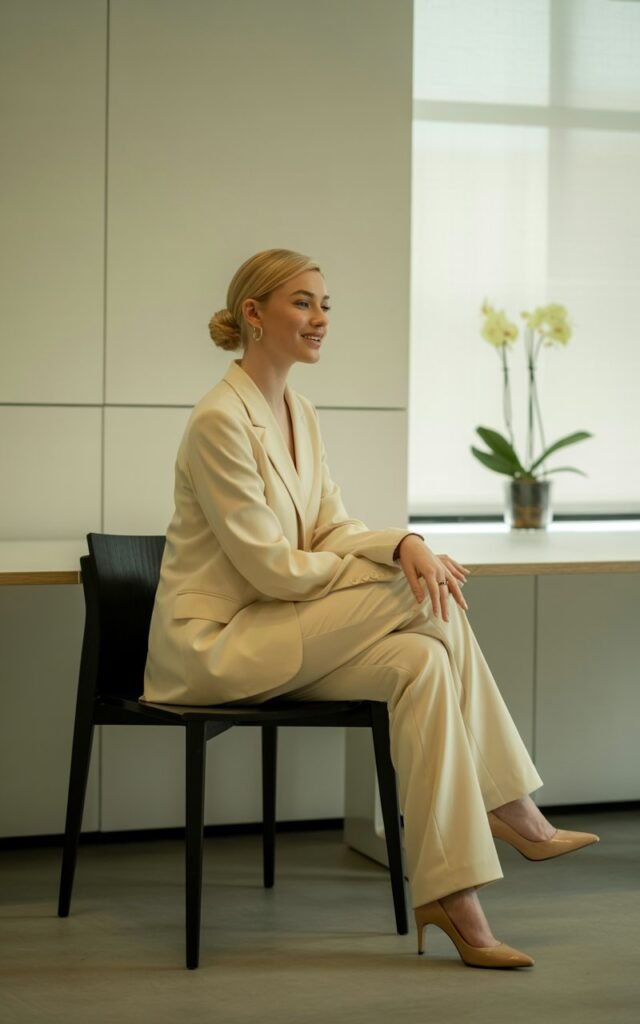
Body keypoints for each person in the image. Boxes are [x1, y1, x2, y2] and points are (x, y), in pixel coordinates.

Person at [144, 248, 599, 970]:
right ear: (253, 315)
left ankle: (453, 898)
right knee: (420, 591)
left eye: (325, 304)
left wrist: (399, 542)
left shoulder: (299, 411)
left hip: (283, 634)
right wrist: (400, 556)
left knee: (420, 657)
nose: (320, 318)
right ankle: (506, 803)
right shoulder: (218, 421)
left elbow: (330, 528)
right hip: (220, 647)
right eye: (302, 302)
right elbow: (269, 566)